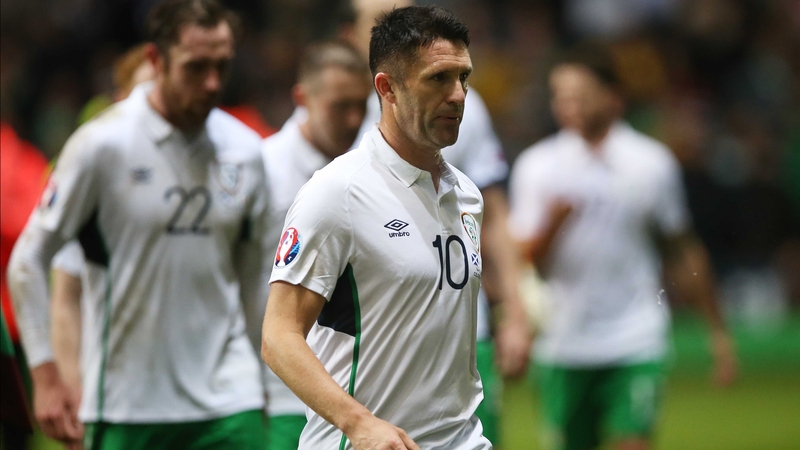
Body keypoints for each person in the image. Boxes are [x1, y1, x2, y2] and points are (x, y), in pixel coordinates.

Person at [7, 1, 271, 449]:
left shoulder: (245, 151)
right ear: (156, 60)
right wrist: (47, 376)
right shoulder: (101, 147)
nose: (211, 83)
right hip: (128, 406)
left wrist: (269, 382)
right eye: (195, 68)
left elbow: (256, 282)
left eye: (221, 67)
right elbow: (28, 262)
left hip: (231, 403)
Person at [262, 5, 491, 450]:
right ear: (387, 88)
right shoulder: (338, 193)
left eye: (463, 77)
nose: (459, 95)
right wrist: (359, 423)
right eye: (438, 79)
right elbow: (278, 336)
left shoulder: (466, 195)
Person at [508, 43, 738, 450]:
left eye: (578, 95)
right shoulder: (537, 167)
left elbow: (682, 249)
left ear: (613, 97)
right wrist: (554, 226)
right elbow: (523, 261)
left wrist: (717, 333)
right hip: (563, 342)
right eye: (560, 96)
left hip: (635, 336)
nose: (567, 105)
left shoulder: (651, 164)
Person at [340, 1, 532, 445]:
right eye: (374, 24)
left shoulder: (464, 107)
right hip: (376, 347)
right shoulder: (343, 118)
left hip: (466, 332)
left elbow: (494, 215)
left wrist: (516, 313)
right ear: (351, 35)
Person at [260, 40, 372, 450]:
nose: (354, 118)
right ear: (302, 98)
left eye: (362, 105)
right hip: (272, 392)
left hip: (349, 385)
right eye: (340, 106)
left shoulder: (370, 174)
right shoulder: (261, 170)